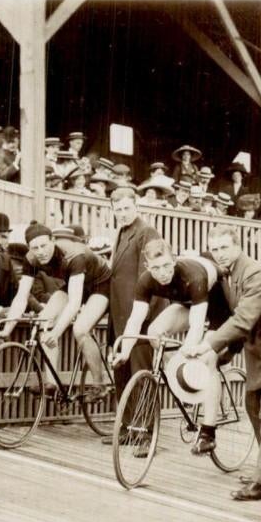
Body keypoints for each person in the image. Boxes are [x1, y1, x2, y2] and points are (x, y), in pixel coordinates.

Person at [182, 225, 261, 501]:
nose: (220, 254)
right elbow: (241, 320)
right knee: (253, 406)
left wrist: (208, 345)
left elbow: (243, 319)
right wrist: (228, 352)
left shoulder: (256, 273)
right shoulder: (226, 276)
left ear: (238, 246)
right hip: (260, 349)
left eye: (224, 247)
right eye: (215, 249)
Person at [115, 241, 231, 456]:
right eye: (156, 268)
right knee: (154, 331)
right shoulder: (146, 280)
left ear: (175, 260)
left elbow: (197, 326)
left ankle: (208, 432)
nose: (163, 273)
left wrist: (189, 355)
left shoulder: (193, 274)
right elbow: (135, 319)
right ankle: (179, 379)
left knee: (207, 359)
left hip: (218, 310)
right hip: (189, 304)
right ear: (147, 267)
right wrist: (125, 351)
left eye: (167, 266)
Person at [0, 222, 114, 400]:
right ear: (29, 248)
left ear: (53, 241)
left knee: (80, 329)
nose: (41, 251)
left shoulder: (73, 255)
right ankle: (52, 384)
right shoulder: (30, 259)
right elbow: (21, 296)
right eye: (35, 248)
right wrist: (7, 329)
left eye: (44, 245)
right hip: (73, 284)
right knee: (44, 321)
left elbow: (74, 303)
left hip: (100, 285)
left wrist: (56, 333)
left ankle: (99, 385)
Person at [102, 187, 167, 444]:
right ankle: (128, 427)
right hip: (120, 313)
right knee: (122, 372)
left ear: (136, 206)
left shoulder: (147, 232)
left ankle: (145, 433)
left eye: (127, 208)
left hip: (141, 315)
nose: (122, 214)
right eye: (117, 210)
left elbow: (150, 276)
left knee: (141, 373)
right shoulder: (120, 232)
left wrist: (144, 318)